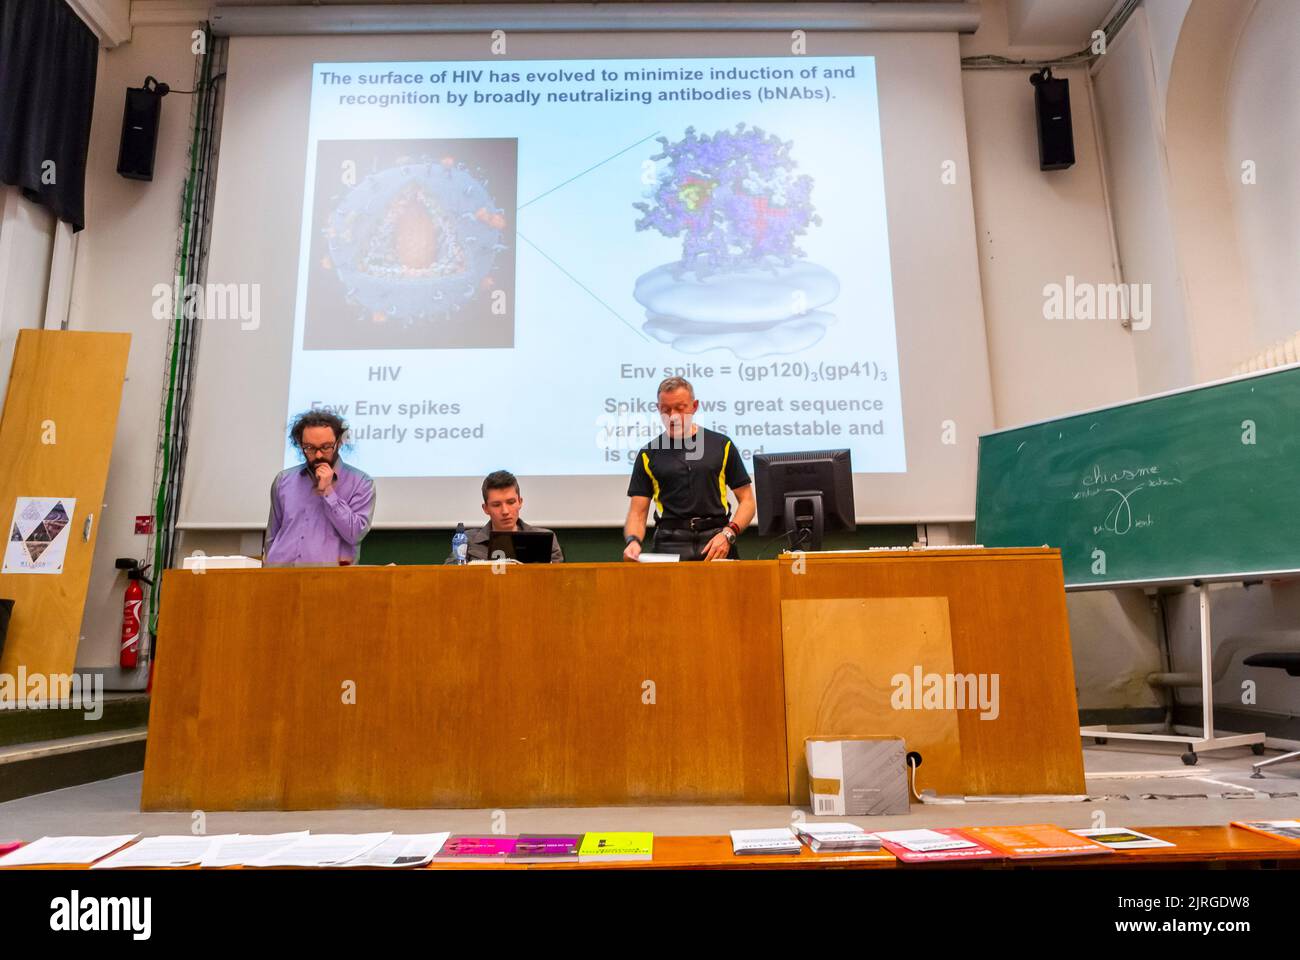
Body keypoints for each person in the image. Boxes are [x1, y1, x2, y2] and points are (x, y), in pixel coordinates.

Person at [623, 376, 755, 561]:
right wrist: (633, 541)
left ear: (694, 406)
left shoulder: (721, 445)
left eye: (680, 408)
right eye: (666, 410)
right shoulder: (648, 454)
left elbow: (747, 501)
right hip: (669, 544)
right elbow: (638, 512)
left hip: (717, 541)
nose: (673, 416)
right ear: (658, 409)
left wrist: (728, 534)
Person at [263, 411, 375, 566]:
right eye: (309, 448)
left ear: (339, 443)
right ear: (299, 444)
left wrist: (328, 492)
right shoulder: (283, 480)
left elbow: (355, 534)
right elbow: (272, 535)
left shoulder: (361, 482)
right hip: (281, 575)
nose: (318, 455)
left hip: (328, 581)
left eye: (326, 447)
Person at [446, 469, 564, 563]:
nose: (505, 511)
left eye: (511, 502)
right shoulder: (467, 540)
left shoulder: (545, 539)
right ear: (486, 508)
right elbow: (449, 577)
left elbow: (558, 581)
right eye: (496, 505)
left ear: (520, 502)